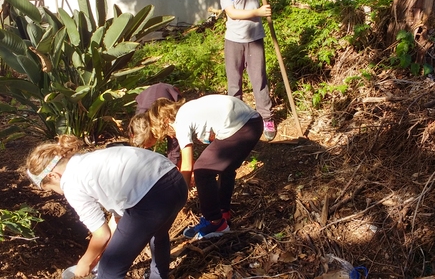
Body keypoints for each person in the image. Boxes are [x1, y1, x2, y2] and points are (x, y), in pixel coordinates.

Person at [25, 135, 188, 279]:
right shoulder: (91, 160)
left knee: (109, 269)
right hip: (175, 182)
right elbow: (117, 222)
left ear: (53, 176)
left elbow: (101, 235)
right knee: (158, 235)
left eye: (51, 188)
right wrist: (97, 255)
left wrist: (85, 263)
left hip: (152, 199)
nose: (57, 193)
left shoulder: (70, 183)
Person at [131, 94, 263, 239]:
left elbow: (188, 165)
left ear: (166, 121)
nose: (168, 135)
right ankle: (222, 212)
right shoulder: (188, 109)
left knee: (202, 169)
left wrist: (179, 197)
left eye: (163, 131)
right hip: (253, 122)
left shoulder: (181, 122)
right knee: (224, 165)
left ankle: (215, 222)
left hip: (242, 127)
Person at [218, 0, 277, 141]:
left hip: (254, 38)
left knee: (259, 79)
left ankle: (266, 118)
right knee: (234, 83)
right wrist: (258, 12)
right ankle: (236, 120)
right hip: (233, 40)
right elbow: (232, 13)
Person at [129, 82, 182, 166]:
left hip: (168, 94)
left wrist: (172, 166)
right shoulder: (137, 121)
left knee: (174, 132)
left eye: (146, 145)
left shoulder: (165, 119)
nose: (145, 147)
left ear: (153, 134)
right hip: (147, 97)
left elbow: (174, 143)